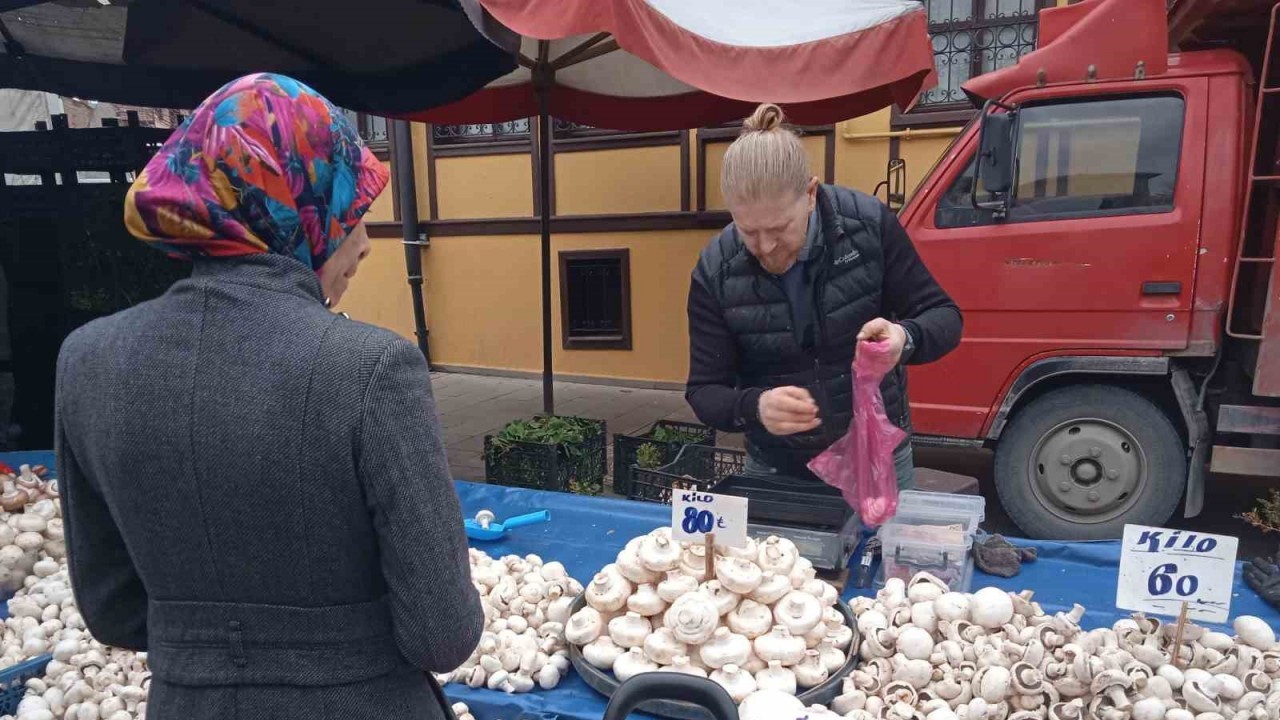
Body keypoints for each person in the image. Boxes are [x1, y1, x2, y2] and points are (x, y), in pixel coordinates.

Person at [55, 74, 481, 720]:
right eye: (347, 205)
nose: (363, 241)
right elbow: (442, 632)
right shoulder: (372, 371)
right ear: (289, 198)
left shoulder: (87, 364)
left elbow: (112, 607)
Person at [686, 103, 962, 490]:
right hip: (776, 464)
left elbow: (945, 317)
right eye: (748, 231)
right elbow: (703, 390)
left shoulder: (868, 226)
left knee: (882, 550)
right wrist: (754, 407)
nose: (764, 247)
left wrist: (905, 338)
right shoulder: (716, 269)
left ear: (811, 194)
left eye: (779, 228)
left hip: (876, 453)